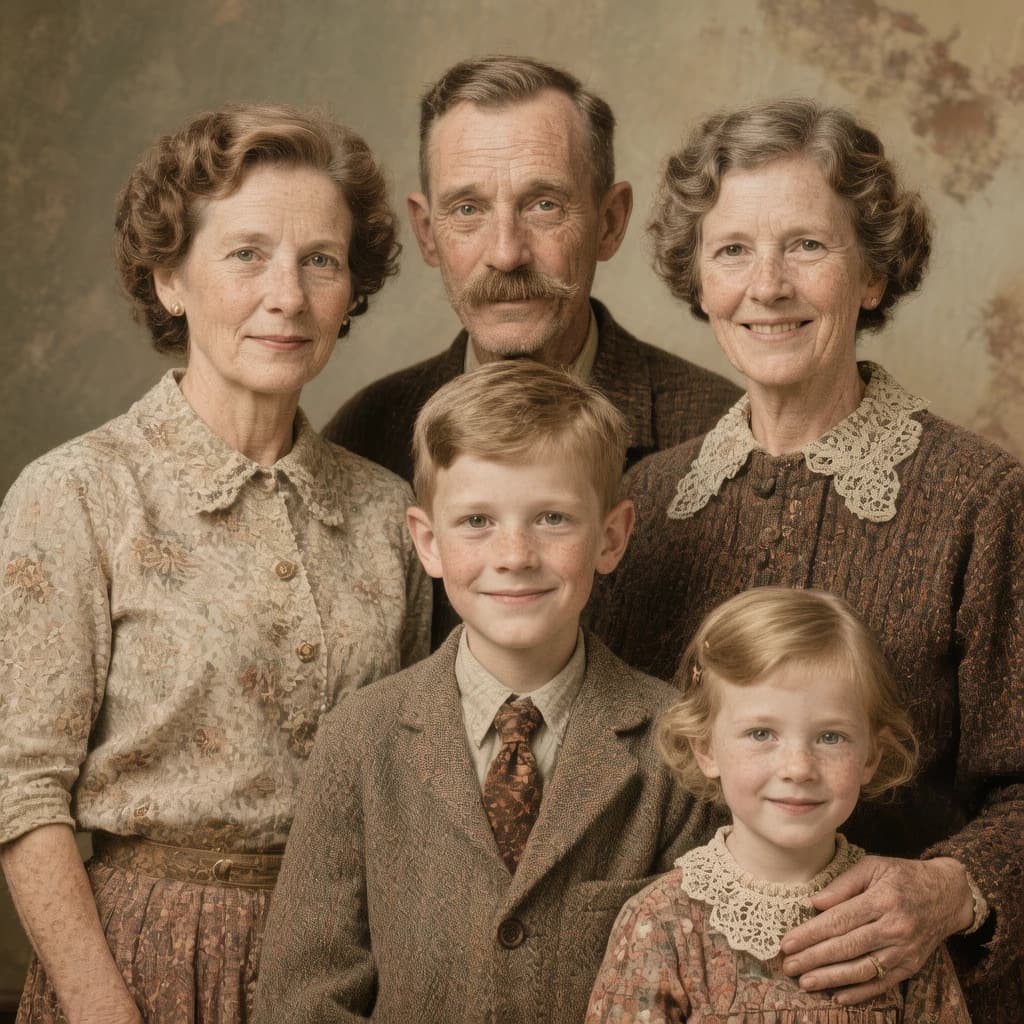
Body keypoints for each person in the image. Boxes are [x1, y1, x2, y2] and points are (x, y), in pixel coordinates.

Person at [588, 98, 1023, 1022]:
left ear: (873, 274)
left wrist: (951, 888)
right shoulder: (647, 506)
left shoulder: (982, 501)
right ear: (698, 278)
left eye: (807, 247)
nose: (768, 285)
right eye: (732, 250)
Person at [0, 103, 431, 1024]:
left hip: (345, 967)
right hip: (141, 965)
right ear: (170, 280)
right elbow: (21, 789)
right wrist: (102, 1009)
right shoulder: (78, 494)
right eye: (246, 254)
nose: (289, 295)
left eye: (321, 261)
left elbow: (409, 786)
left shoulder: (387, 511)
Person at [252, 361, 717, 1024]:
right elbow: (303, 997)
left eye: (552, 518)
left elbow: (700, 985)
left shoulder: (676, 744)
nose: (515, 555)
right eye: (476, 521)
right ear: (427, 542)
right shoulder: (362, 736)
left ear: (611, 537)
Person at [323, 54, 741, 647]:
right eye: (468, 209)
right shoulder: (367, 435)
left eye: (544, 204)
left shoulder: (719, 436)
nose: (506, 253)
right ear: (427, 232)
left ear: (610, 221)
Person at [586, 586, 971, 1022]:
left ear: (871, 756)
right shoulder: (660, 924)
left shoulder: (897, 922)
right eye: (761, 734)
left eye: (831, 737)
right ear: (706, 748)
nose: (798, 768)